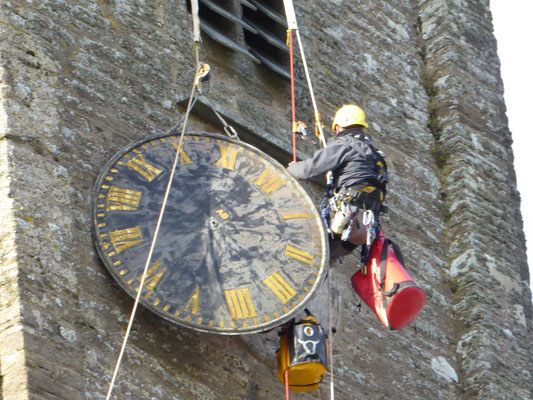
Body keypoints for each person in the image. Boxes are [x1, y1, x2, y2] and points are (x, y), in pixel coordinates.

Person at [287, 104, 388, 260]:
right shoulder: (377, 156)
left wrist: (292, 169)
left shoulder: (345, 144)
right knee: (326, 260)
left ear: (337, 127)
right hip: (364, 230)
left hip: (344, 218)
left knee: (305, 243)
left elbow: (311, 168)